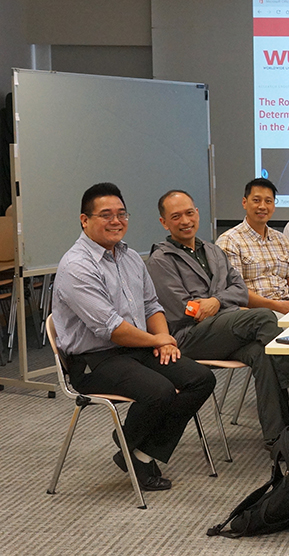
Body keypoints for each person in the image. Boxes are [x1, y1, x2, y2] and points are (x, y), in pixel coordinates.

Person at [51, 183, 216, 491]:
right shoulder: (76, 266)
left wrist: (164, 338)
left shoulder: (128, 256)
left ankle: (137, 449)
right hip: (92, 360)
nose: (116, 221)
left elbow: (152, 305)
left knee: (200, 378)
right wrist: (157, 341)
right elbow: (110, 328)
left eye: (121, 214)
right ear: (84, 220)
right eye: (106, 215)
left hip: (135, 348)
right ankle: (134, 446)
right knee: (160, 390)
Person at [146, 190, 289, 449]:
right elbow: (186, 310)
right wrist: (220, 303)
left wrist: (216, 301)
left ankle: (279, 438)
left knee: (263, 354)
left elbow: (240, 290)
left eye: (189, 213)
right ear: (164, 222)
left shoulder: (212, 250)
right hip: (190, 337)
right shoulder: (160, 261)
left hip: (226, 329)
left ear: (197, 213)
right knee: (262, 316)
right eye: (176, 216)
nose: (185, 220)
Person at [216, 178, 289, 314]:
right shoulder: (229, 241)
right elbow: (237, 290)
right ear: (244, 203)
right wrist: (276, 306)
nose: (262, 206)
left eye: (268, 201)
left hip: (288, 308)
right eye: (256, 200)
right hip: (257, 313)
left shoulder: (282, 240)